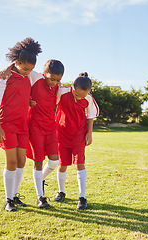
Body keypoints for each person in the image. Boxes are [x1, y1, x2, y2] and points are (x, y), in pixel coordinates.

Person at [0, 37, 42, 212]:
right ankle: (8, 200)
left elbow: (45, 76)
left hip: (22, 124)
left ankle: (15, 196)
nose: (28, 72)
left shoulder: (29, 75)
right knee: (11, 162)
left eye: (31, 69)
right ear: (16, 62)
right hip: (5, 123)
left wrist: (29, 101)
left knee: (21, 161)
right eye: (25, 68)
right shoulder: (4, 77)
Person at [0, 60, 64, 208]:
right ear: (44, 74)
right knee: (38, 162)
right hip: (34, 127)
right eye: (52, 79)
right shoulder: (36, 78)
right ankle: (40, 197)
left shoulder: (60, 88)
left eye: (58, 80)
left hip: (50, 127)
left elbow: (75, 90)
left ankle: (40, 179)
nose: (54, 82)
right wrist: (7, 67)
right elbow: (21, 66)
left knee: (54, 161)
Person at [53, 72, 99, 210]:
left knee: (80, 163)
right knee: (62, 164)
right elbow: (48, 98)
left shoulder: (88, 99)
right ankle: (61, 192)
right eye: (77, 94)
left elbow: (90, 116)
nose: (79, 98)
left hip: (79, 134)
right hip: (61, 134)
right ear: (72, 86)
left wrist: (89, 133)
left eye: (83, 96)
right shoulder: (62, 92)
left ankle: (82, 197)